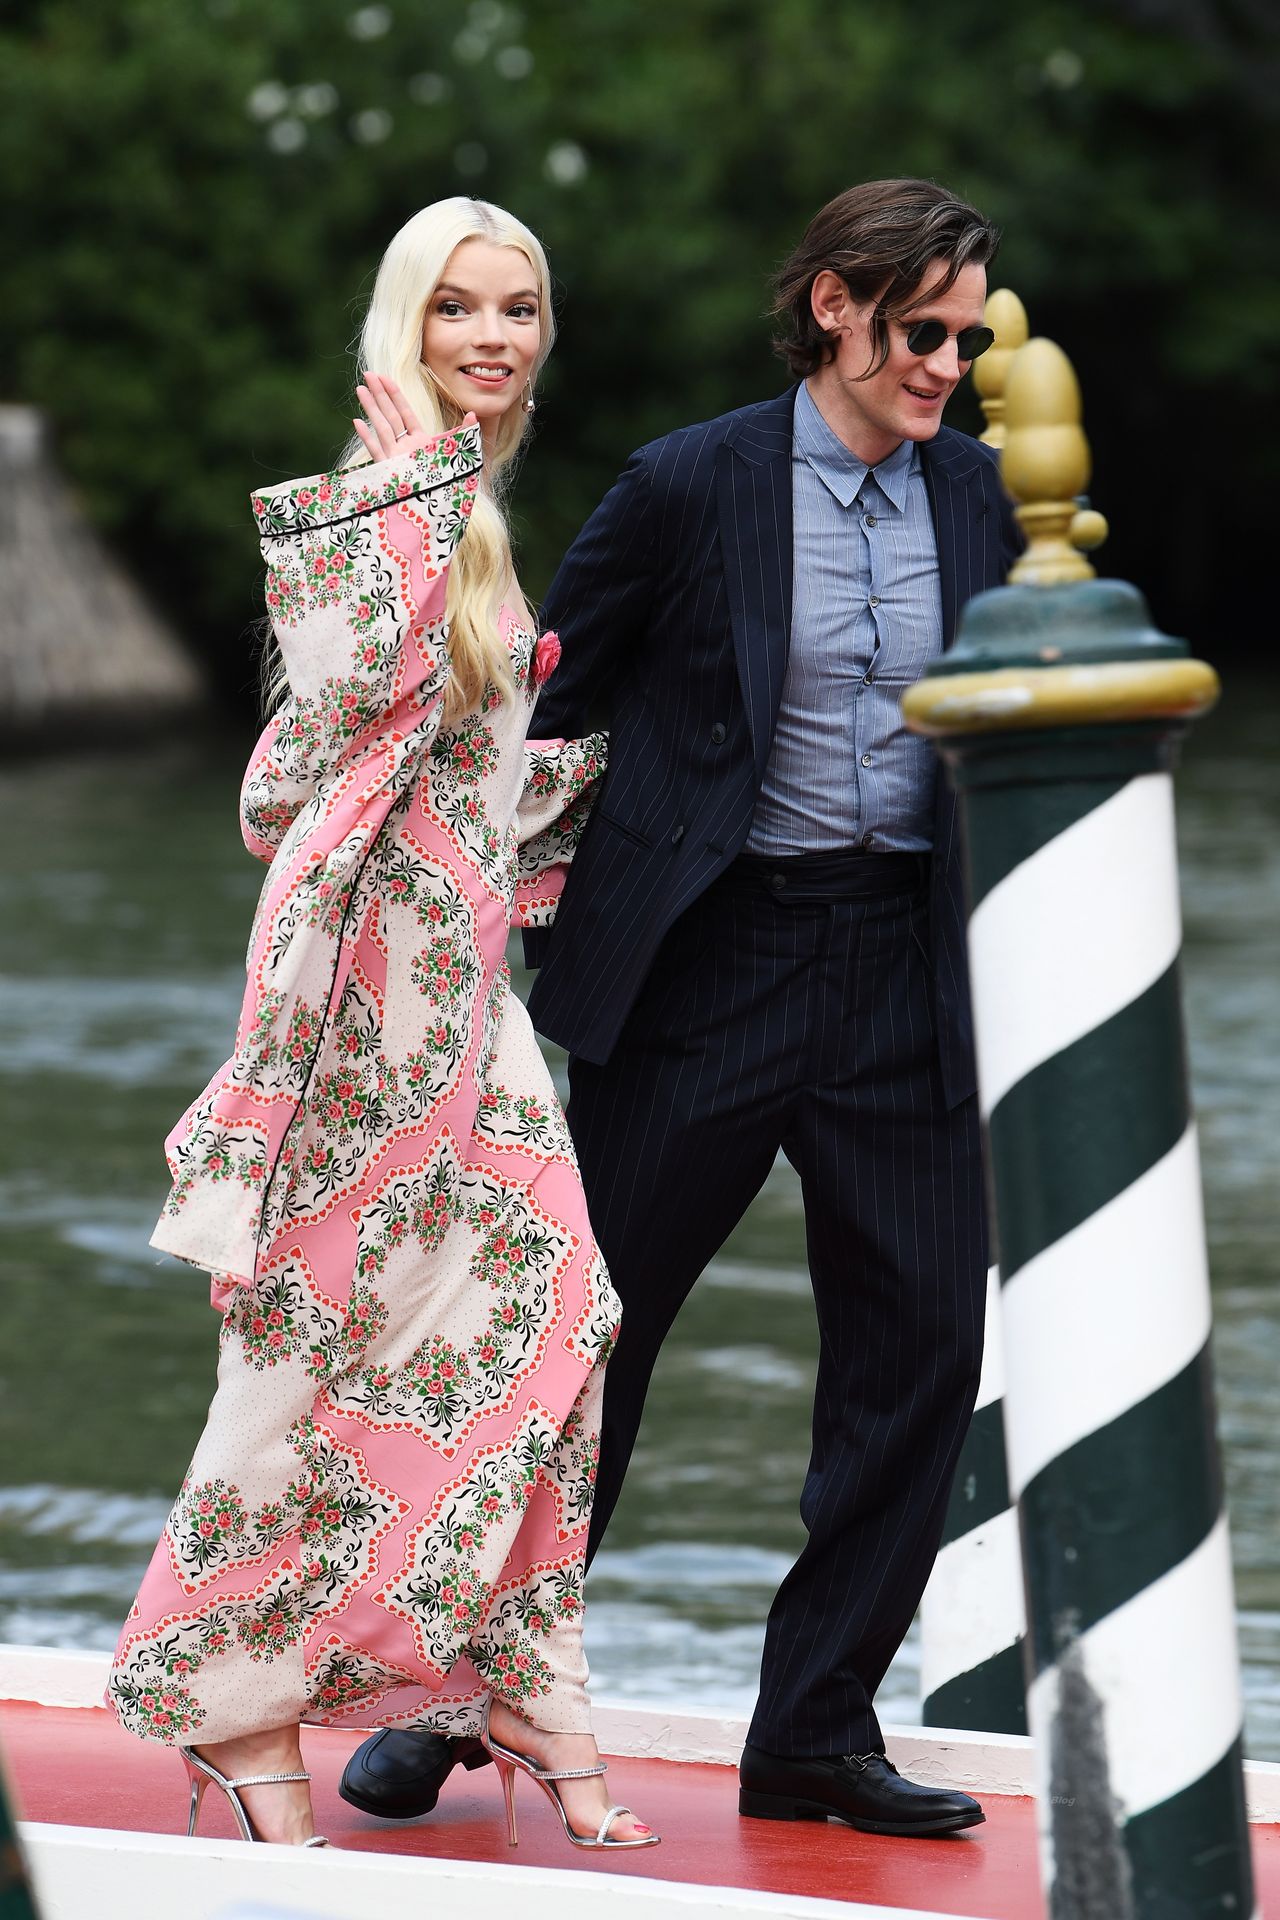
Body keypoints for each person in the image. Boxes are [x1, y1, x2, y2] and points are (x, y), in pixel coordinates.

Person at [343, 176, 1019, 1840]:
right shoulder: (689, 482)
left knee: (922, 1357)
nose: (948, 361)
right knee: (582, 1351)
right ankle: (459, 1696)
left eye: (969, 334)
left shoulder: (990, 501)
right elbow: (538, 699)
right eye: (922, 330)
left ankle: (814, 1730)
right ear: (835, 312)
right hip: (705, 967)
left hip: (904, 977)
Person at [105, 197, 657, 1854]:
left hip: (463, 1004)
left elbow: (386, 768)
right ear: (401, 330)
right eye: (455, 312)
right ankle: (245, 1723)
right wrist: (412, 489)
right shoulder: (378, 506)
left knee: (563, 1321)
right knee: (304, 1357)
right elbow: (332, 732)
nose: (490, 338)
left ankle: (509, 1678)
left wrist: (594, 783)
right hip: (355, 1011)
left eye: (520, 310)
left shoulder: (467, 514)